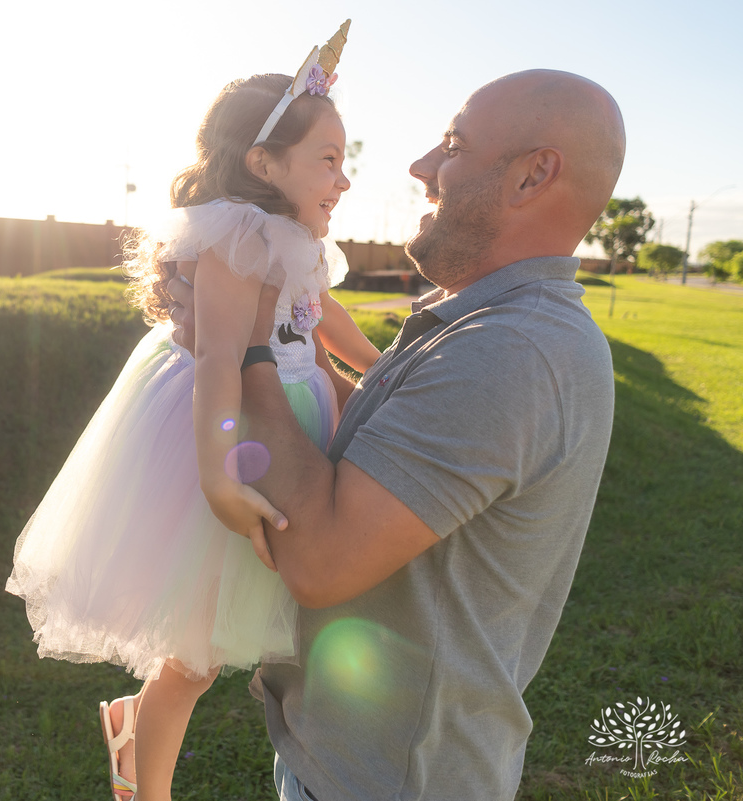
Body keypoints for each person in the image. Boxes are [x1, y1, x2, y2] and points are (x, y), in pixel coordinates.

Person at [167, 69, 624, 800]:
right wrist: (305, 355)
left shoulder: (509, 350)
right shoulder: (481, 322)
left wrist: (252, 339)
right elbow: (378, 444)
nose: (420, 166)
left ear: (533, 176)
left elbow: (318, 561)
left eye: (453, 146)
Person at [5, 23, 379, 801]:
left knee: (232, 637)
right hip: (224, 436)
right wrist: (217, 480)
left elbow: (321, 316)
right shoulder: (234, 239)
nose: (343, 179)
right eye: (328, 159)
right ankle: (146, 788)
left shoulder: (296, 238)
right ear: (264, 163)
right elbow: (218, 362)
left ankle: (130, 727)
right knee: (194, 656)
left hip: (286, 426)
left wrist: (381, 367)